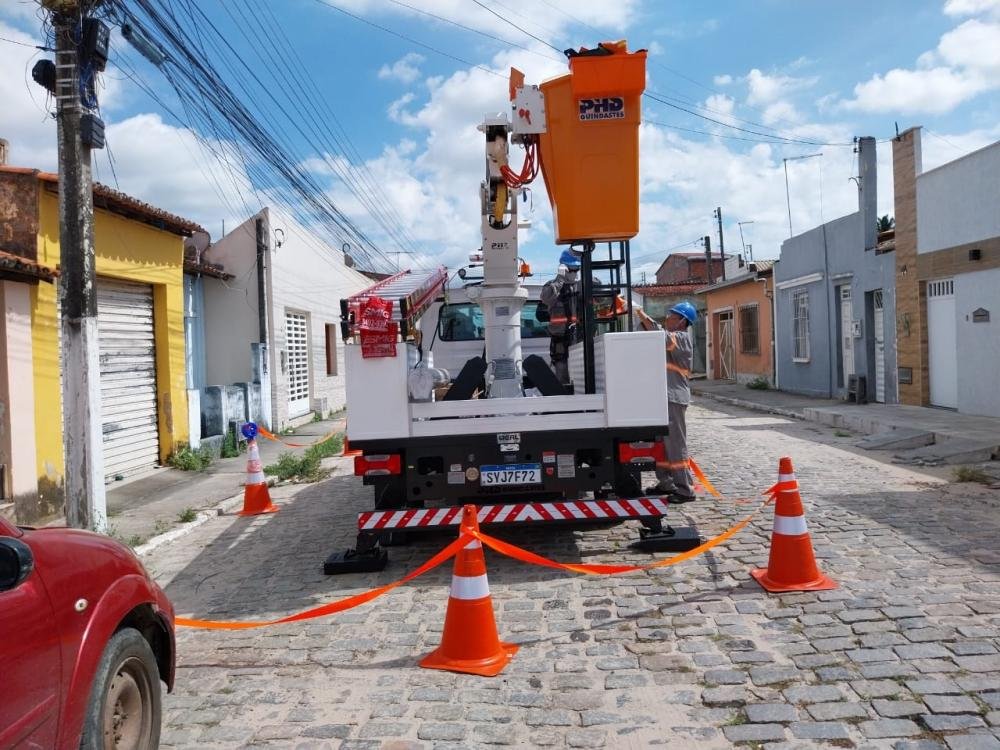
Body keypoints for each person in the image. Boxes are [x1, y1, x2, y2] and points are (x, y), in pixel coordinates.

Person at [636, 301, 698, 503]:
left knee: (676, 444)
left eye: (672, 316)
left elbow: (658, 334)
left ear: (682, 321)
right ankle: (667, 483)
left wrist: (639, 311)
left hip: (674, 397)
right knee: (662, 445)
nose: (668, 318)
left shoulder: (681, 339)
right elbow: (647, 335)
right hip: (663, 397)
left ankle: (685, 489)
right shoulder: (670, 337)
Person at [538, 249, 582, 385]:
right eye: (571, 269)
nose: (574, 273)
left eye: (577, 269)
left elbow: (598, 294)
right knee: (562, 375)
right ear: (563, 268)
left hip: (579, 339)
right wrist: (559, 279)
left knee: (580, 375)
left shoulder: (580, 286)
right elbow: (546, 297)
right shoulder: (553, 286)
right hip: (560, 341)